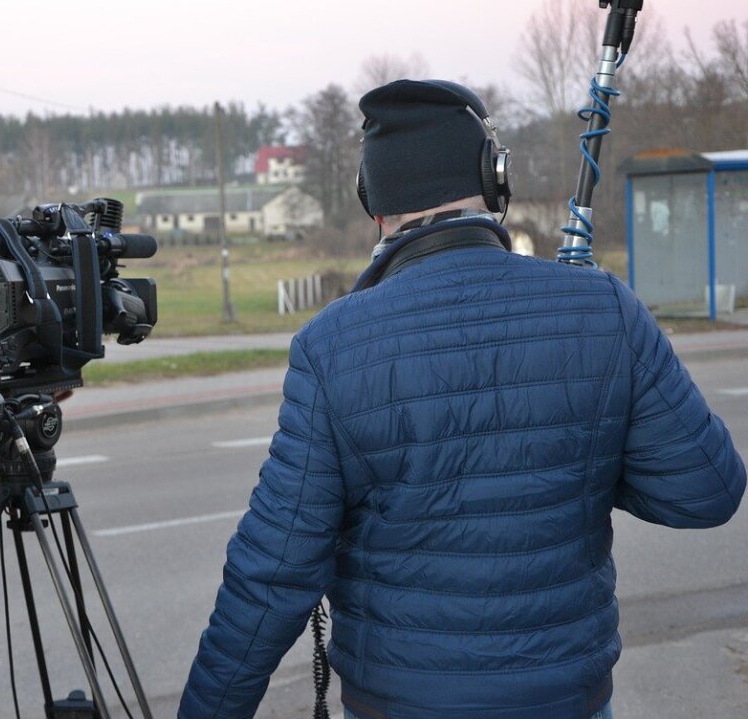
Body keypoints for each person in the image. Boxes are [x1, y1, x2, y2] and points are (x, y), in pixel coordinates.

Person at [179, 79, 745, 719]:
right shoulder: (605, 307)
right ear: (494, 178)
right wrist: (584, 457)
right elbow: (706, 492)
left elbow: (270, 577)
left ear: (376, 207)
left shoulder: (331, 347)